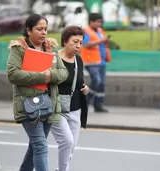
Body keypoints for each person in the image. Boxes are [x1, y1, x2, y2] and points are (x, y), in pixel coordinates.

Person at [6, 14, 69, 171]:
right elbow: (13, 74)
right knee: (41, 145)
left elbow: (63, 73)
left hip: (49, 105)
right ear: (28, 30)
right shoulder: (19, 49)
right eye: (39, 29)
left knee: (35, 146)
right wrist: (42, 76)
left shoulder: (52, 48)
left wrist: (51, 76)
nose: (44, 32)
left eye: (46, 29)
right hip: (29, 106)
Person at [51, 25, 89, 171]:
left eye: (80, 42)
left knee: (71, 145)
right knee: (66, 142)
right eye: (75, 41)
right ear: (65, 40)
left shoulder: (78, 60)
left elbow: (79, 81)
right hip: (57, 108)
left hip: (75, 109)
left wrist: (85, 89)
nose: (78, 46)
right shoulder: (54, 58)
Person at [80, 13, 111, 113]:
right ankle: (86, 100)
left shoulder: (100, 31)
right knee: (96, 80)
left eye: (100, 22)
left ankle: (99, 104)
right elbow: (86, 44)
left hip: (101, 61)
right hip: (91, 61)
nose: (99, 24)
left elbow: (102, 43)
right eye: (97, 22)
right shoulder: (86, 31)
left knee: (102, 84)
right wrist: (101, 40)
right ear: (91, 21)